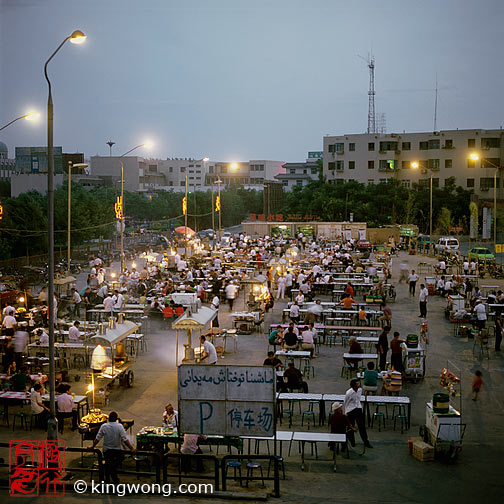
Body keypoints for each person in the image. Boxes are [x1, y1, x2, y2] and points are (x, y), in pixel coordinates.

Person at [90, 411, 136, 484]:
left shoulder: (104, 426)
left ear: (108, 419)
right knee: (114, 463)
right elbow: (125, 439)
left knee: (109, 464)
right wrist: (131, 448)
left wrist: (92, 446)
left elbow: (97, 438)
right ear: (116, 419)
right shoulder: (119, 426)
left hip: (106, 451)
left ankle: (108, 480)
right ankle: (115, 480)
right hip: (116, 450)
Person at [343, 379, 372, 448]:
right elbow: (345, 402)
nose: (359, 385)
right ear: (353, 386)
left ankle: (366, 441)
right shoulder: (349, 393)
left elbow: (358, 400)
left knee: (362, 426)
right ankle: (352, 441)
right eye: (357, 384)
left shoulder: (360, 390)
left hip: (358, 408)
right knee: (351, 426)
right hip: (350, 410)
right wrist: (345, 412)